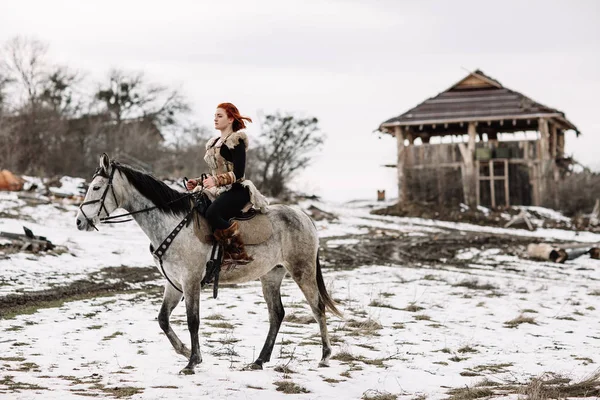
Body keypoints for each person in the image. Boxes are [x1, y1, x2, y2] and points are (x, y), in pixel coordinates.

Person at [186, 103, 268, 265]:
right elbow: (215, 173)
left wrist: (215, 181)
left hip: (237, 189)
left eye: (220, 116)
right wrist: (198, 182)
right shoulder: (213, 143)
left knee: (212, 213)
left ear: (230, 119)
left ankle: (237, 253)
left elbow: (238, 173)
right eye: (214, 116)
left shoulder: (236, 141)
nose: (215, 119)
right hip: (218, 189)